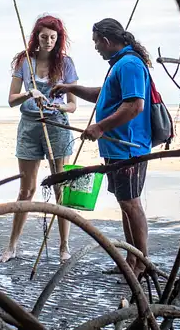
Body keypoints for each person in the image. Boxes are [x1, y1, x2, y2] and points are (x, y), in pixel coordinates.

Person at [51, 18, 151, 280]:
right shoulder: (119, 64)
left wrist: (100, 127)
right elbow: (103, 94)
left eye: (96, 42)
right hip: (116, 149)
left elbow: (134, 106)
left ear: (106, 41)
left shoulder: (129, 64)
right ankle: (131, 259)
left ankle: (141, 263)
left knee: (132, 204)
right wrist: (71, 87)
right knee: (125, 204)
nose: (95, 47)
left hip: (128, 147)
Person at [0, 15, 78, 263]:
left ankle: (64, 247)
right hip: (30, 127)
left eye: (53, 37)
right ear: (36, 37)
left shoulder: (66, 63)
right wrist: (28, 94)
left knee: (59, 188)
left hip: (56, 126)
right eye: (44, 37)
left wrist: (58, 107)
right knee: (26, 189)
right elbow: (11, 99)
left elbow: (73, 105)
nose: (49, 41)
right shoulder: (25, 61)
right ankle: (12, 246)